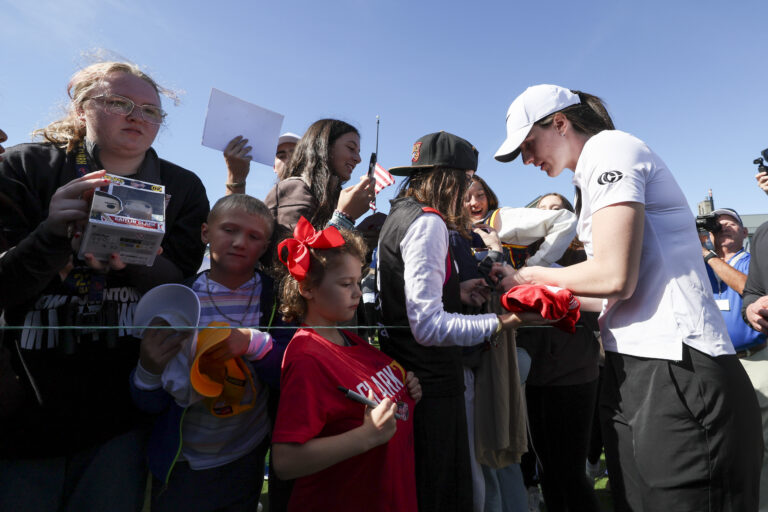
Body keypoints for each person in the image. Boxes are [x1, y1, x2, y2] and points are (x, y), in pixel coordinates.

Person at [493, 84, 762, 511]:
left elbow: (617, 277)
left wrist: (529, 274)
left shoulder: (609, 148)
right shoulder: (590, 174)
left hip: (678, 365)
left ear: (560, 123)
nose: (527, 159)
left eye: (528, 144)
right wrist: (553, 297)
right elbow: (620, 294)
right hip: (636, 366)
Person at [0, 61, 209, 511]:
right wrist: (53, 234)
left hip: (121, 416)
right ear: (81, 109)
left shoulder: (183, 187)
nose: (137, 116)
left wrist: (138, 256)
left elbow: (181, 293)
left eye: (152, 111)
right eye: (118, 103)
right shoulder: (25, 165)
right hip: (24, 408)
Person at [377, 131, 550, 512]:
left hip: (411, 376)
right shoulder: (427, 222)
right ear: (450, 180)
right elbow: (428, 326)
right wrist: (502, 323)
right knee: (450, 492)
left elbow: (412, 304)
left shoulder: (399, 216)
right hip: (435, 385)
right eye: (463, 184)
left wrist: (458, 290)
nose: (465, 196)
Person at [130, 194, 285, 511]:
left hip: (246, 457)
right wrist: (148, 369)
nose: (240, 242)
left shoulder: (278, 301)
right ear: (205, 233)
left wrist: (254, 344)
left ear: (266, 245)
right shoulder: (177, 300)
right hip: (183, 464)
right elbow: (149, 403)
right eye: (229, 230)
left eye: (254, 236)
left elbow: (291, 373)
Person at [270, 218, 422, 511]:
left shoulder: (350, 340)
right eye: (345, 283)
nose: (356, 292)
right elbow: (285, 461)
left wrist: (405, 384)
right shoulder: (307, 356)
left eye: (357, 282)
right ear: (307, 288)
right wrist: (365, 437)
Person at [512, 192, 601, 512]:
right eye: (543, 210)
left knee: (570, 471)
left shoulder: (584, 257)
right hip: (534, 376)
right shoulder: (520, 256)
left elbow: (592, 308)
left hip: (574, 372)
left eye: (558, 210)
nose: (550, 215)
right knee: (547, 467)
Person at [264, 119, 374, 236]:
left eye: (358, 151)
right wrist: (344, 218)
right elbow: (291, 251)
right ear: (325, 146)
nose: (358, 159)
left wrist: (365, 235)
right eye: (351, 148)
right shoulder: (295, 188)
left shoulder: (331, 195)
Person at [223, 132, 301, 194]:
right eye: (281, 156)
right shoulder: (267, 208)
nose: (289, 160)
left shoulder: (312, 201)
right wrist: (236, 177)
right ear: (274, 167)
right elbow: (234, 213)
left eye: (295, 155)